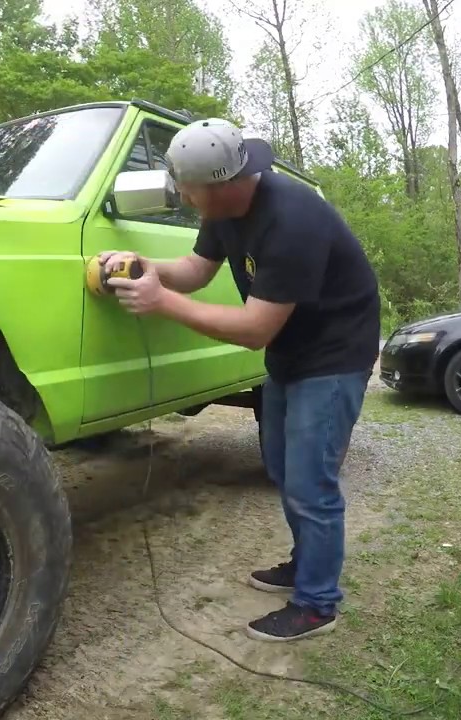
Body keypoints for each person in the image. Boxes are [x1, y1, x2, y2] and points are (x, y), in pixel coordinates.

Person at [101, 117, 380, 642]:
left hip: (336, 354)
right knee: (279, 464)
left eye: (188, 189)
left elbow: (254, 329)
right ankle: (306, 564)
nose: (182, 196)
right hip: (291, 351)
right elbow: (196, 269)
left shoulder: (293, 219)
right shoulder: (224, 206)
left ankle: (318, 605)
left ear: (223, 183)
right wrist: (146, 266)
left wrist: (162, 304)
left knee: (310, 481)